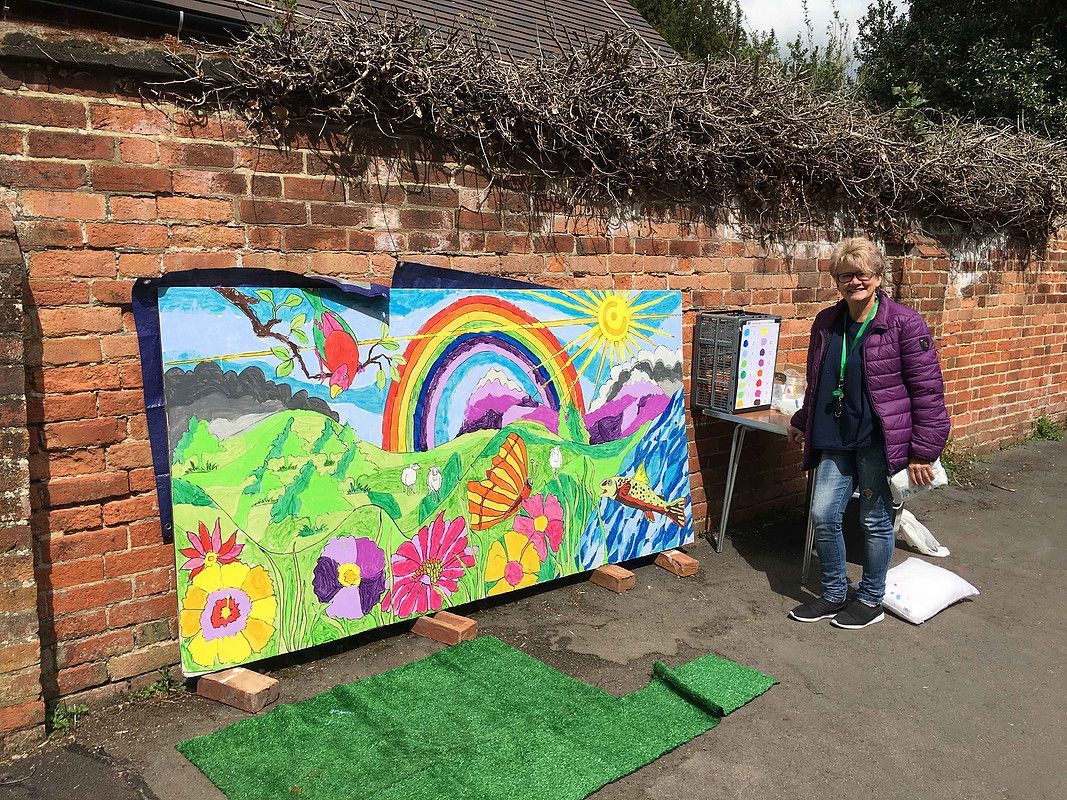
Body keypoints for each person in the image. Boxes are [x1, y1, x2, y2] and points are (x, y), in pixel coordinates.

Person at [787, 238, 950, 629]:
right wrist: (802, 418)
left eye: (862, 273)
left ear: (877, 277)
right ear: (836, 281)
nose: (854, 281)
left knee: (874, 521)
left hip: (879, 440)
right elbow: (819, 381)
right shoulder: (826, 322)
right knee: (823, 514)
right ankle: (834, 593)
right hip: (833, 436)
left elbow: (928, 390)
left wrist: (924, 451)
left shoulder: (904, 324)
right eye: (845, 275)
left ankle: (872, 599)